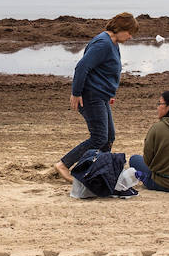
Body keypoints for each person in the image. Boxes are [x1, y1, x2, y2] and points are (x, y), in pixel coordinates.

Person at [54, 12, 139, 182]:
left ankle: (101, 169)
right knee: (99, 137)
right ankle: (63, 165)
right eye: (129, 32)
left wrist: (108, 93)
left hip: (101, 96)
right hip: (91, 96)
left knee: (109, 137)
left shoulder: (113, 43)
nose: (130, 36)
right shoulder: (103, 44)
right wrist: (76, 93)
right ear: (121, 28)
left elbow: (102, 72)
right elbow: (82, 67)